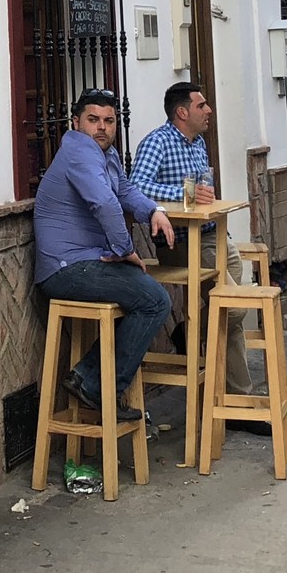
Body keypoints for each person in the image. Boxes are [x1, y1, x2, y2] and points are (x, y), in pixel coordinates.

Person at [33, 89, 174, 420]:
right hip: (65, 269)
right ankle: (95, 386)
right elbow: (105, 203)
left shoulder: (105, 155)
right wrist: (125, 250)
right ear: (76, 122)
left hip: (84, 262)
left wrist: (153, 210)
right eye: (93, 119)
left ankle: (87, 377)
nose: (102, 127)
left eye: (109, 121)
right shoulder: (79, 151)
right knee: (155, 301)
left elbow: (123, 190)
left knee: (145, 295)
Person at [130, 83, 260, 407]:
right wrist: (183, 194)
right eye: (201, 105)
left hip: (215, 235)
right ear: (182, 112)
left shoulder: (198, 143)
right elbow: (136, 186)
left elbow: (203, 195)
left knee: (228, 315)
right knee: (233, 308)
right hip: (183, 241)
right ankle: (194, 343)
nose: (209, 110)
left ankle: (232, 399)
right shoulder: (157, 142)